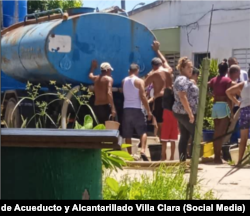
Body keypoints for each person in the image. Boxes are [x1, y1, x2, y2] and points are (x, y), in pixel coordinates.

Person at [122, 64, 152, 157]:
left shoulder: (124, 81)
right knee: (143, 131)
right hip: (137, 108)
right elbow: (143, 96)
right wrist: (149, 111)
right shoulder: (139, 81)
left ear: (129, 70)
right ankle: (142, 150)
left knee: (128, 133)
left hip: (126, 109)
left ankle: (129, 154)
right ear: (137, 71)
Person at [208, 59, 235, 164]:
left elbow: (206, 85)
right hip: (224, 106)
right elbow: (229, 97)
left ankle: (217, 156)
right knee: (221, 133)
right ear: (227, 70)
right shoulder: (228, 81)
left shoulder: (214, 79)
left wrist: (211, 95)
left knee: (216, 132)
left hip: (215, 106)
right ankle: (217, 158)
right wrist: (231, 112)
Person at [173, 57, 199, 162]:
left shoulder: (186, 79)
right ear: (182, 68)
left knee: (185, 136)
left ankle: (183, 162)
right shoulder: (182, 79)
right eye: (188, 67)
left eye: (191, 67)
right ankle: (193, 162)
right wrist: (190, 113)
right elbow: (182, 96)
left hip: (183, 112)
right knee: (196, 134)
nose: (191, 69)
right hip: (184, 112)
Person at [144, 41, 173, 139]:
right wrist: (157, 51)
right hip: (169, 98)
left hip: (159, 99)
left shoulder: (154, 74)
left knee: (160, 123)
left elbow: (143, 85)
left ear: (153, 66)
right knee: (168, 121)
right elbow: (165, 61)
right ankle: (167, 140)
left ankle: (162, 143)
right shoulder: (168, 70)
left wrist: (148, 74)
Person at [226, 68, 250, 165]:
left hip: (244, 111)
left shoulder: (243, 84)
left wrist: (237, 102)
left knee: (243, 138)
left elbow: (228, 92)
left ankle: (239, 161)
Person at [89, 60, 116, 124]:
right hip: (105, 107)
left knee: (99, 126)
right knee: (107, 127)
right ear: (107, 70)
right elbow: (109, 93)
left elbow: (90, 75)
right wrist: (113, 108)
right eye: (110, 70)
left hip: (96, 106)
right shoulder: (109, 79)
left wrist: (93, 67)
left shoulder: (96, 78)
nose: (110, 72)